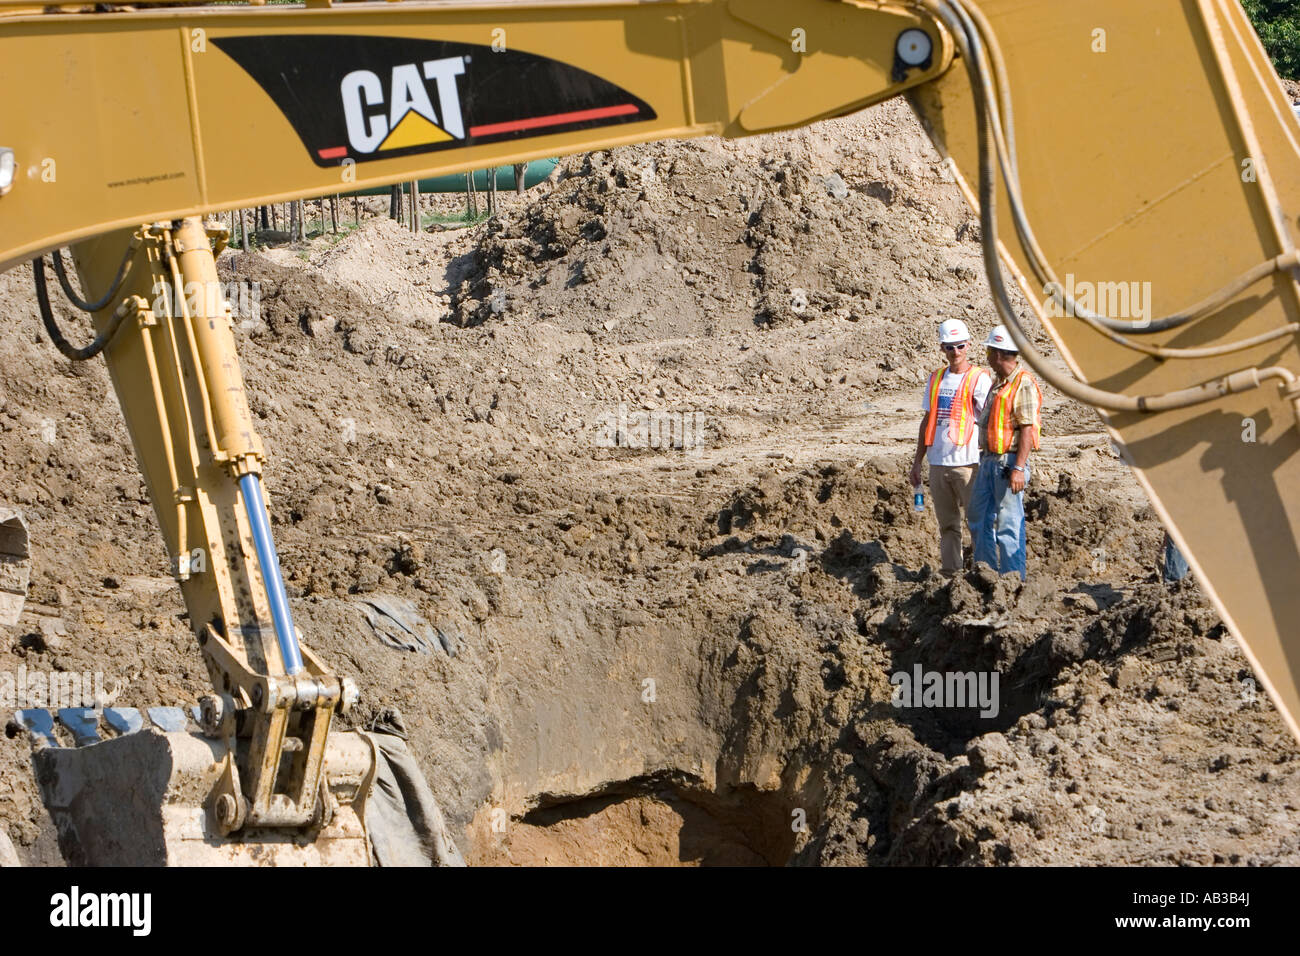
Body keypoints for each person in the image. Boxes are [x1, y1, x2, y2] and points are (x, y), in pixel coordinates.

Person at [909, 319, 992, 573]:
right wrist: (917, 460)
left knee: (977, 522)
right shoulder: (936, 379)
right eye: (949, 347)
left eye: (960, 346)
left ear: (968, 345)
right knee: (947, 525)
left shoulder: (978, 378)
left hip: (967, 463)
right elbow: (928, 420)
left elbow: (988, 420)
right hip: (938, 462)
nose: (955, 352)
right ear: (942, 349)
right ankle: (950, 574)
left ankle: (984, 572)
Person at [968, 325, 1043, 581]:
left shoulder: (1022, 384)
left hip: (1007, 463)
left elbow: (1026, 429)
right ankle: (985, 576)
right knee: (978, 517)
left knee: (1008, 525)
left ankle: (1013, 582)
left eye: (989, 351)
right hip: (989, 461)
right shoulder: (999, 384)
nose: (987, 357)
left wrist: (1019, 468)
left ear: (999, 354)